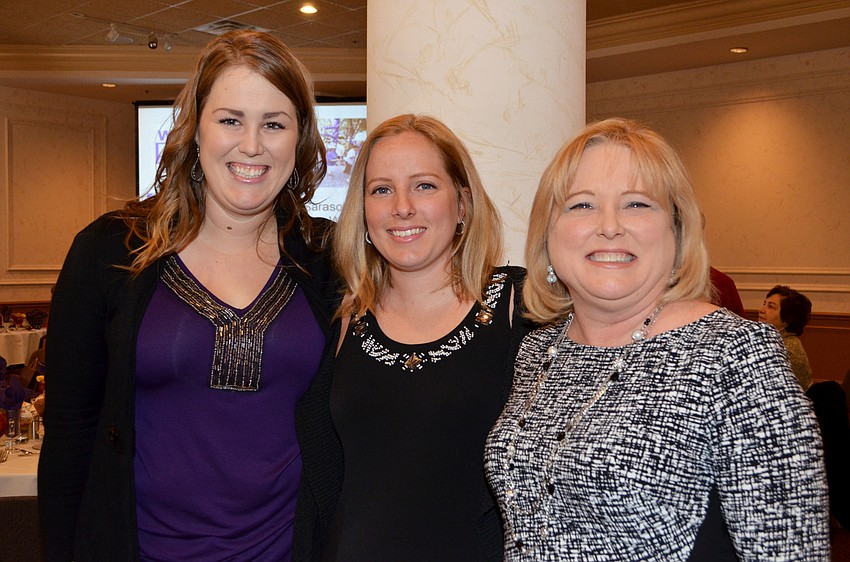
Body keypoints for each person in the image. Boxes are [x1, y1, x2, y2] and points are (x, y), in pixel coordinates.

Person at [39, 30, 338, 561]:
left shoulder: (328, 259)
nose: (252, 145)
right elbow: (70, 432)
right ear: (195, 129)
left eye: (274, 123)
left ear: (301, 138)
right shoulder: (110, 251)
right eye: (230, 120)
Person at [484, 117, 829, 560]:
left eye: (637, 205)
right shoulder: (540, 349)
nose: (609, 226)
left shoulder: (735, 355)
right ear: (548, 234)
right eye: (581, 205)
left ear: (678, 232)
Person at [294, 114, 531, 561]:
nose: (402, 206)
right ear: (363, 211)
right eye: (381, 189)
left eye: (424, 185)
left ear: (462, 203)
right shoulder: (344, 316)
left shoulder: (523, 308)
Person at [758, 284, 814, 390]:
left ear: (786, 320)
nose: (761, 310)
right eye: (764, 304)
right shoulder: (775, 340)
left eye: (770, 306)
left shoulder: (785, 349)